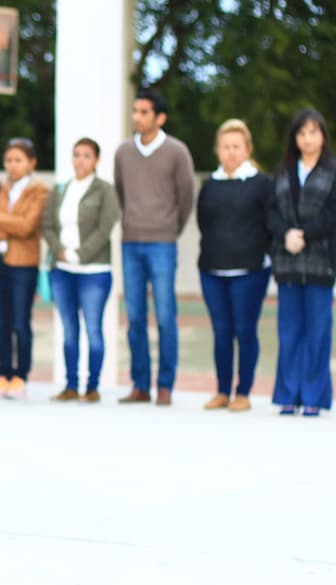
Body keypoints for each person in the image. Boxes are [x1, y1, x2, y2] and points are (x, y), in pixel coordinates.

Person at [113, 88, 196, 406]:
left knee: (165, 316)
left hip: (163, 242)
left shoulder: (177, 151)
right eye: (135, 111)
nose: (137, 117)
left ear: (160, 118)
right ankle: (140, 385)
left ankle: (165, 386)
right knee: (135, 318)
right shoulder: (123, 152)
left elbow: (186, 196)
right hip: (131, 243)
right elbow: (121, 192)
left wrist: (170, 229)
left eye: (144, 112)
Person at [196, 119, 273, 412]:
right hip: (213, 271)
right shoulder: (210, 185)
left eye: (236, 147)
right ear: (217, 150)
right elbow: (203, 221)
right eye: (225, 147)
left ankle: (244, 391)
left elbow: (269, 225)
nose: (231, 152)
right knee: (221, 331)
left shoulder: (261, 184)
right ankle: (222, 390)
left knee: (245, 330)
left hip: (249, 272)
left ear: (247, 149)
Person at [269, 108, 336, 417]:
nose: (307, 139)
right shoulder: (282, 172)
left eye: (313, 132)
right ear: (294, 138)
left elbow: (332, 215)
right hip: (288, 263)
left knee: (318, 331)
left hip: (321, 263)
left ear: (323, 135)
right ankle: (288, 394)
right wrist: (286, 235)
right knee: (289, 330)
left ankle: (314, 395)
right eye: (301, 132)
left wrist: (305, 234)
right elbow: (271, 213)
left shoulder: (332, 170)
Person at [0, 138, 50, 400]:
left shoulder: (39, 191)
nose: (12, 166)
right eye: (9, 160)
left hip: (23, 264)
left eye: (18, 160)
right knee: (0, 321)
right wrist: (7, 224)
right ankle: (3, 374)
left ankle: (20, 376)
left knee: (20, 321)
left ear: (31, 163)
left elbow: (27, 227)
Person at [42, 137, 120, 403]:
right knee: (69, 329)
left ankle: (93, 386)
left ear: (96, 160)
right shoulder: (61, 190)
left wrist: (81, 254)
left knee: (94, 330)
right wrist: (61, 251)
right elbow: (47, 225)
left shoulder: (105, 190)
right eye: (77, 154)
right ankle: (70, 385)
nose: (80, 160)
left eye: (87, 155)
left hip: (94, 271)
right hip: (62, 270)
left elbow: (105, 227)